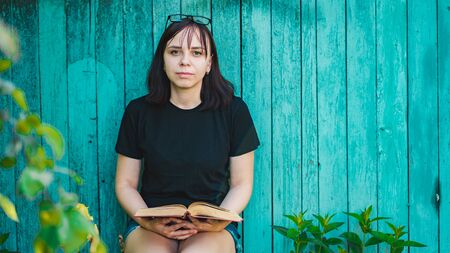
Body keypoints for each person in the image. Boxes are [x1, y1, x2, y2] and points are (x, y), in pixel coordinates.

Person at [115, 14, 260, 253]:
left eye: (196, 53)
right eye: (174, 52)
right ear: (162, 60)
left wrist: (219, 222)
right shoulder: (138, 112)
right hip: (150, 224)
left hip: (214, 227)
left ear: (209, 63)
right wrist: (147, 222)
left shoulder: (234, 111)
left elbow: (241, 184)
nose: (185, 61)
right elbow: (125, 184)